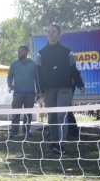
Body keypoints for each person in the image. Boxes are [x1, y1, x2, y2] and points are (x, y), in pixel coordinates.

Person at [36, 24, 85, 155]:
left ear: (59, 35)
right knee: (51, 117)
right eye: (49, 31)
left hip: (65, 87)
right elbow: (38, 74)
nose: (50, 34)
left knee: (61, 115)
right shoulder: (41, 53)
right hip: (49, 89)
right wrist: (40, 90)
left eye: (53, 32)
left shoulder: (67, 51)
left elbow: (73, 69)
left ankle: (62, 144)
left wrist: (80, 83)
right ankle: (55, 142)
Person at [7, 45, 37, 138]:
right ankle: (14, 131)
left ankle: (26, 131)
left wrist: (39, 91)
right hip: (18, 92)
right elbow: (9, 76)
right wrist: (10, 85)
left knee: (28, 113)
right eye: (18, 51)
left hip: (30, 92)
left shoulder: (33, 64)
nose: (19, 52)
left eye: (21, 51)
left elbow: (37, 78)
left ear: (26, 52)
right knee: (16, 112)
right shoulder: (14, 64)